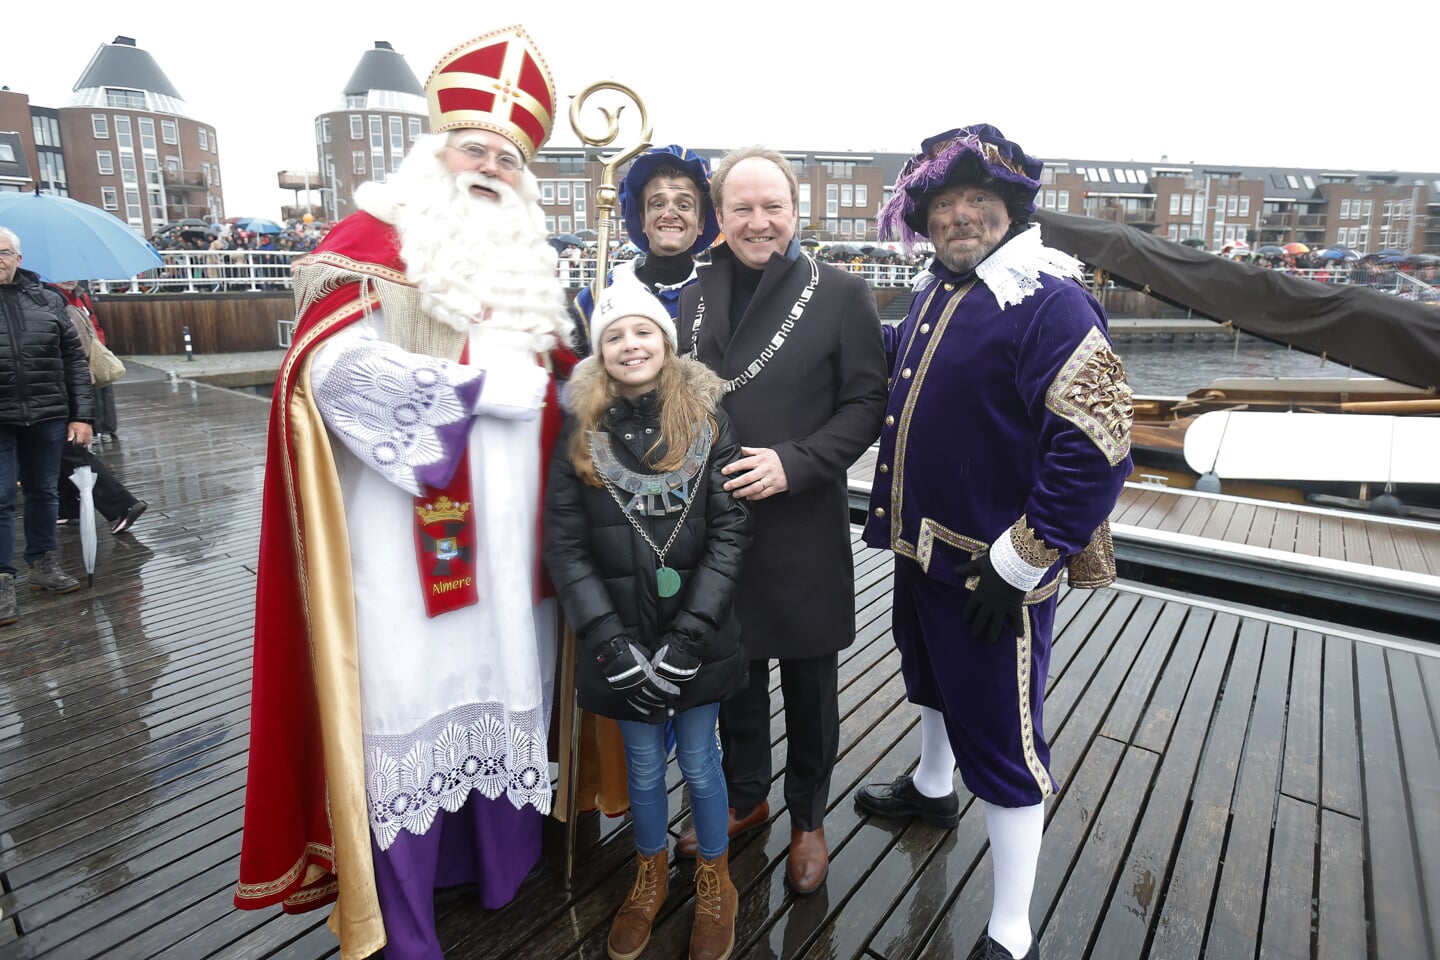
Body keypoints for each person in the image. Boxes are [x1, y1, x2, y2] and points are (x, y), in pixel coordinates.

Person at [235, 25, 576, 960]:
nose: (491, 167)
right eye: (475, 147)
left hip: (508, 549)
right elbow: (329, 377)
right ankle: (404, 909)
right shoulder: (370, 242)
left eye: (509, 158)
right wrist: (470, 394)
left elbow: (572, 386)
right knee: (409, 704)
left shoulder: (530, 267)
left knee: (509, 681)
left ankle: (497, 868)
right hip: (403, 533)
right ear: (434, 150)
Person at [853, 124, 1134, 960]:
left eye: (977, 200)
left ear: (1011, 208)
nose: (959, 215)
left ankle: (1011, 931)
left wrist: (1025, 558)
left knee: (1005, 741)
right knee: (930, 679)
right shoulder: (943, 285)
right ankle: (934, 789)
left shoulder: (1049, 297)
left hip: (992, 568)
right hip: (923, 549)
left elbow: (1100, 439)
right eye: (944, 203)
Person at [675, 147, 888, 894]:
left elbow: (867, 405)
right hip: (716, 527)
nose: (759, 222)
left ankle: (807, 816)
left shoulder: (842, 293)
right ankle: (746, 795)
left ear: (796, 211)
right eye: (742, 208)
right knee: (732, 670)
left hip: (799, 522)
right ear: (720, 216)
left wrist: (794, 463)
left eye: (773, 207)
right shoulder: (694, 296)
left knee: (808, 680)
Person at [544, 276, 751, 960]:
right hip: (622, 640)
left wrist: (691, 637)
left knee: (699, 760)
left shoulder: (709, 419)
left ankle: (716, 876)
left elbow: (730, 531)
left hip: (698, 631)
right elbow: (566, 547)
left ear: (664, 341)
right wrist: (608, 643)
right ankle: (649, 870)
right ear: (598, 353)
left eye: (642, 331)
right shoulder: (580, 434)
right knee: (639, 766)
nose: (630, 344)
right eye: (614, 335)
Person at [0, 226, 93, 625]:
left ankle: (43, 562)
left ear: (18, 258)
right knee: (1, 497)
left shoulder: (47, 299)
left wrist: (82, 414)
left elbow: (74, 360)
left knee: (43, 490)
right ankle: (3, 578)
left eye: (3, 252)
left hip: (48, 413)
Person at [570, 145, 720, 358]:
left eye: (684, 205)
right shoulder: (604, 290)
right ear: (642, 219)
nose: (669, 214)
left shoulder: (719, 289)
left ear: (701, 222)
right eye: (658, 204)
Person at [46, 281, 119, 440]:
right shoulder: (51, 296)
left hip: (92, 353)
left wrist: (99, 345)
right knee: (83, 393)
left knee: (102, 391)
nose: (70, 280)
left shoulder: (82, 296)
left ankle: (106, 428)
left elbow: (95, 324)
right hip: (72, 355)